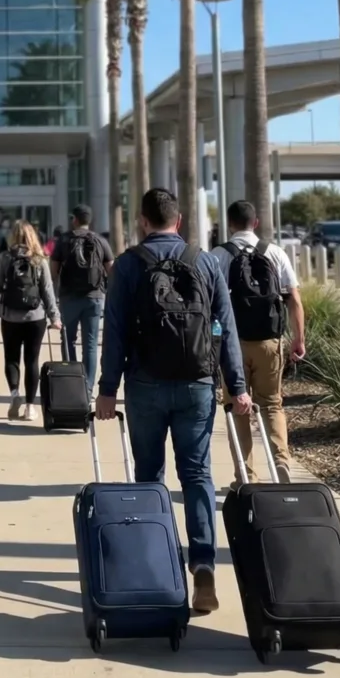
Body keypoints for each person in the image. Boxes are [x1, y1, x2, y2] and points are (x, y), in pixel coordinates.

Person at [95, 187, 251, 615]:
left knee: (149, 477)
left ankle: (156, 566)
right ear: (178, 221)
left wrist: (108, 390)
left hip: (144, 385)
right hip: (197, 384)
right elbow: (225, 329)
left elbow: (115, 333)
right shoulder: (205, 261)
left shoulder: (127, 265)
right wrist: (236, 387)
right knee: (198, 474)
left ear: (143, 221)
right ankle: (203, 567)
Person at [212, 199, 305, 486]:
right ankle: (280, 463)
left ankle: (245, 476)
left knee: (236, 407)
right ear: (256, 223)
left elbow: (210, 302)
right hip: (270, 341)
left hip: (234, 344)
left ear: (230, 224)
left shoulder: (219, 255)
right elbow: (295, 300)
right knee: (272, 405)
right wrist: (298, 340)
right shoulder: (275, 252)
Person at [0, 220, 61, 421]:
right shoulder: (39, 260)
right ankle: (29, 407)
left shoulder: (4, 258)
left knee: (11, 359)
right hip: (35, 317)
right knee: (32, 360)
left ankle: (14, 395)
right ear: (33, 237)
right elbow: (48, 291)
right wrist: (55, 317)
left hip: (10, 317)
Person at [50, 206, 113, 396]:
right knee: (91, 343)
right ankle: (88, 389)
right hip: (94, 298)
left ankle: (71, 384)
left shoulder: (63, 240)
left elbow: (53, 271)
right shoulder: (100, 240)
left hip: (69, 297)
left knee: (68, 341)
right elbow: (112, 270)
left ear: (74, 220)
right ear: (89, 221)